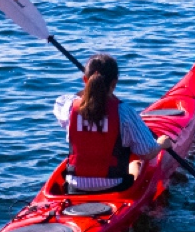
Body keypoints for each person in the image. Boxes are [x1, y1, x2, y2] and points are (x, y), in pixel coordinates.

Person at [54, 54, 172, 193]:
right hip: (113, 188)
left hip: (75, 187)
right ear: (114, 83)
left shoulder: (67, 107)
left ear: (85, 80)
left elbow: (67, 101)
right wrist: (162, 144)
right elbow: (147, 152)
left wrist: (90, 87)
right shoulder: (124, 112)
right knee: (134, 163)